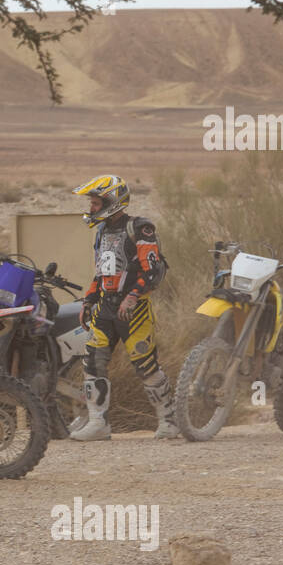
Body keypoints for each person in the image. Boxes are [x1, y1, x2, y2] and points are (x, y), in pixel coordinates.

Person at [69, 175, 177, 442]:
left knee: (145, 365)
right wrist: (88, 301)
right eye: (92, 203)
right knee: (92, 361)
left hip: (135, 308)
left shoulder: (140, 228)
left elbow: (151, 270)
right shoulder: (102, 231)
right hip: (105, 307)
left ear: (112, 202)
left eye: (96, 202)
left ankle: (169, 420)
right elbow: (102, 273)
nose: (92, 207)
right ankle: (99, 424)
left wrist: (132, 296)